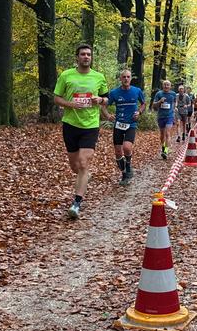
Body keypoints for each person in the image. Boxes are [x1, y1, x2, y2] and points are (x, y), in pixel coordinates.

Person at [53, 44, 109, 219]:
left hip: (90, 125)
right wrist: (70, 104)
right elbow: (56, 98)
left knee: (84, 163)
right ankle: (84, 176)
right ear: (77, 57)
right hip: (70, 124)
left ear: (91, 58)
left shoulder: (98, 77)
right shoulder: (66, 75)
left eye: (89, 54)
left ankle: (76, 204)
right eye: (83, 54)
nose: (86, 57)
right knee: (75, 166)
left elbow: (107, 99)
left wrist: (100, 100)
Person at [105, 69, 146, 185]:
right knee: (118, 152)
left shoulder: (137, 91)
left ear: (131, 78)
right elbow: (103, 106)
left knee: (127, 148)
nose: (126, 79)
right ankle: (124, 174)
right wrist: (108, 115)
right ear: (120, 79)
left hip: (131, 124)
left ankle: (128, 166)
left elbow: (143, 104)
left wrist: (139, 112)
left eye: (128, 77)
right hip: (118, 124)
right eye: (124, 77)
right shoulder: (114, 93)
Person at [152, 80, 177, 159]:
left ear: (170, 86)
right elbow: (154, 105)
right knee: (162, 135)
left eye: (168, 85)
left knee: (167, 133)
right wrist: (160, 101)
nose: (166, 86)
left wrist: (174, 110)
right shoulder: (159, 94)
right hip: (161, 116)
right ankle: (163, 148)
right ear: (162, 86)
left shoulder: (173, 94)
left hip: (169, 116)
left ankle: (166, 151)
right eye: (165, 85)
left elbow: (174, 102)